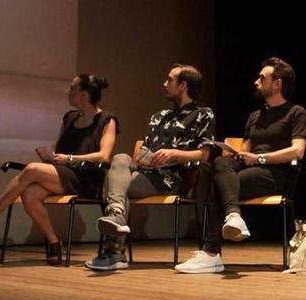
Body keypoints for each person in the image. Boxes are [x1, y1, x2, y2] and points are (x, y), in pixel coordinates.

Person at [0, 74, 117, 265]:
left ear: (83, 94)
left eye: (72, 88)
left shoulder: (107, 120)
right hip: (62, 173)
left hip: (86, 178)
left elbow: (103, 156)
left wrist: (71, 159)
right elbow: (59, 146)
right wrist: (49, 152)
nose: (68, 91)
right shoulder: (70, 117)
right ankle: (53, 240)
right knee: (29, 194)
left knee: (32, 169)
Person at [176, 57, 306, 274]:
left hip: (276, 173)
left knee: (219, 185)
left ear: (277, 84)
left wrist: (259, 159)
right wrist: (236, 154)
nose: (256, 82)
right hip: (249, 169)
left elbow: (298, 150)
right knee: (219, 162)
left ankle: (211, 252)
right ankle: (232, 218)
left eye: (262, 78)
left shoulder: (296, 113)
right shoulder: (255, 116)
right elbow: (245, 149)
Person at [86, 64, 215, 271]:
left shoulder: (203, 114)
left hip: (173, 178)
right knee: (120, 158)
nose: (164, 84)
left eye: (169, 80)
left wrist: (173, 153)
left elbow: (204, 154)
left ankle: (115, 251)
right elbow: (143, 150)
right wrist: (142, 158)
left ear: (183, 85)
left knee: (114, 186)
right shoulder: (158, 116)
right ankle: (117, 215)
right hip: (145, 173)